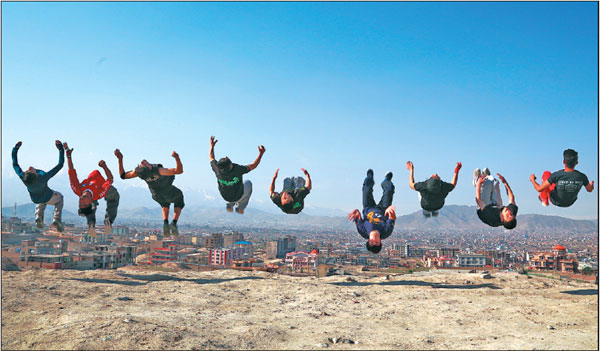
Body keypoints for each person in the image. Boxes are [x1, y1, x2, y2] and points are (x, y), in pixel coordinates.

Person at [114, 148, 184, 236]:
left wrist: (120, 159)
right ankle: (174, 222)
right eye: (144, 163)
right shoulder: (158, 170)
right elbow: (179, 171)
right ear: (149, 166)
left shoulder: (139, 173)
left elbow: (123, 176)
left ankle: (165, 223)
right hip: (168, 190)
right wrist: (177, 158)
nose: (142, 162)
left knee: (164, 203)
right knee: (179, 197)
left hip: (156, 195)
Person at [64, 142, 119, 237]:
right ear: (90, 201)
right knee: (114, 196)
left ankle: (91, 224)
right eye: (84, 203)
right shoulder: (99, 193)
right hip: (102, 186)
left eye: (80, 203)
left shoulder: (77, 189)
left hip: (94, 188)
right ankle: (106, 221)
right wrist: (104, 166)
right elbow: (110, 179)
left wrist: (68, 156)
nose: (82, 200)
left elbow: (71, 171)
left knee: (91, 206)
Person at [12, 140, 65, 232]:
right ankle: (56, 218)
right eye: (30, 170)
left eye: (27, 170)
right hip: (48, 196)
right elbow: (60, 165)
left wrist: (15, 149)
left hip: (36, 199)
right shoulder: (43, 177)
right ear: (36, 175)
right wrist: (61, 149)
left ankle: (38, 217)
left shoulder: (23, 177)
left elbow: (15, 164)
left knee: (40, 199)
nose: (29, 168)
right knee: (60, 197)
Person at [209, 136, 265, 214]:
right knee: (248, 183)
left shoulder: (217, 169)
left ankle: (230, 204)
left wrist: (211, 146)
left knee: (231, 188)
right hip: (238, 195)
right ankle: (240, 207)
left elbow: (211, 157)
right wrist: (261, 154)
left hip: (225, 196)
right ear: (230, 166)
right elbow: (254, 165)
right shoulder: (237, 170)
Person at [347, 169, 396, 254]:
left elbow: (358, 217)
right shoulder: (386, 232)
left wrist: (356, 212)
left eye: (371, 242)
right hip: (383, 209)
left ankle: (370, 177)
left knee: (366, 188)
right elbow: (392, 218)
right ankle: (386, 181)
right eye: (376, 242)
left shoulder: (363, 231)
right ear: (380, 242)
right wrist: (390, 210)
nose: (374, 240)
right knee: (389, 190)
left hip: (368, 207)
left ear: (368, 241)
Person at [530, 149, 594, 207]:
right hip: (570, 202)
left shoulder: (557, 175)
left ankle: (544, 199)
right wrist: (591, 184)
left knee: (546, 174)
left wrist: (532, 180)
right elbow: (589, 189)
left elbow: (539, 189)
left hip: (555, 201)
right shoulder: (582, 176)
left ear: (563, 162)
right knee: (553, 182)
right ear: (577, 163)